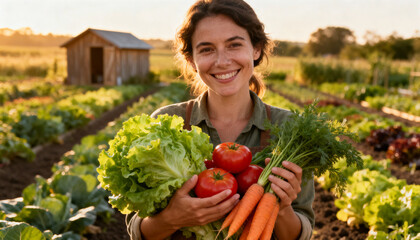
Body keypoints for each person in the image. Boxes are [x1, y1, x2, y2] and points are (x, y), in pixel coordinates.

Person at [126, 0, 315, 239]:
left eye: (234, 45)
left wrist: (283, 208)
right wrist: (171, 218)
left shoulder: (290, 129)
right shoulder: (166, 122)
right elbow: (137, 230)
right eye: (206, 49)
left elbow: (302, 233)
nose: (222, 61)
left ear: (256, 49)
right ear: (192, 60)